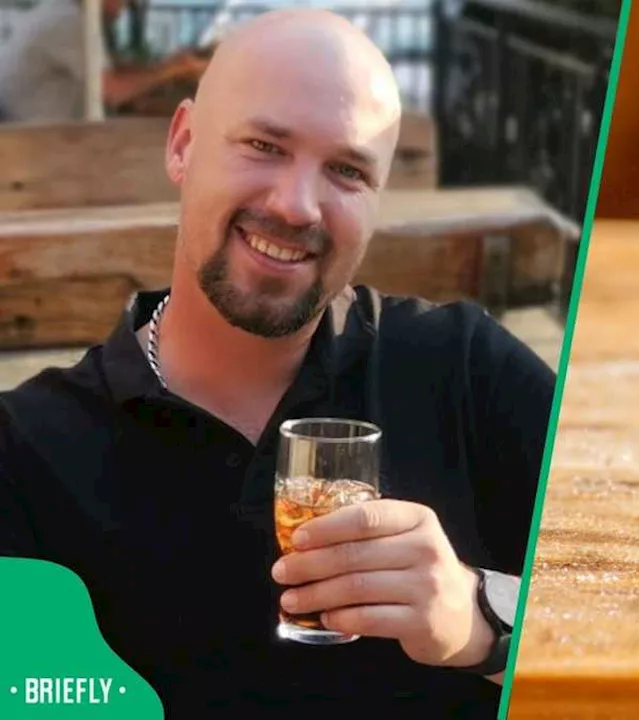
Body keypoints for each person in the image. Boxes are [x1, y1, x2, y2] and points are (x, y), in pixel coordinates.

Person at [0, 8, 554, 717]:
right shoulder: (28, 452)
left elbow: (623, 613)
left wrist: (484, 621)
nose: (296, 206)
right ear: (183, 144)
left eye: (347, 171)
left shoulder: (465, 369)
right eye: (264, 145)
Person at [0, 0, 208, 122]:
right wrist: (175, 69)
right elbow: (115, 91)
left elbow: (112, 72)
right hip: (40, 144)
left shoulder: (61, 12)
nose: (122, 9)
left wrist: (168, 66)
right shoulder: (67, 22)